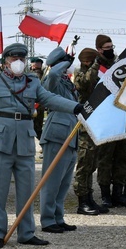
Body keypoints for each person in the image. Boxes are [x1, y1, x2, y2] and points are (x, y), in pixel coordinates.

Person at [0, 43, 83, 248]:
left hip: (24, 141)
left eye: (22, 59)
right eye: (13, 58)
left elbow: (50, 99)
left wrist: (75, 107)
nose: (18, 62)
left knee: (26, 192)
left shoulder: (32, 82)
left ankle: (26, 233)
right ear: (5, 62)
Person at [92, 35, 126, 208]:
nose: (110, 49)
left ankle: (118, 193)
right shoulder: (96, 68)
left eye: (112, 46)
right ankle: (105, 195)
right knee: (105, 159)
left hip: (122, 117)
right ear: (99, 49)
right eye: (106, 47)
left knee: (122, 157)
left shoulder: (118, 64)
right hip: (105, 120)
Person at [39, 47, 79, 233]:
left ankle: (58, 217)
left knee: (63, 182)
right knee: (51, 180)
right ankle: (47, 220)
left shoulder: (67, 83)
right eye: (66, 63)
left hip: (71, 136)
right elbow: (53, 72)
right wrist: (65, 61)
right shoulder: (51, 79)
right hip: (57, 135)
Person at [72, 48, 105, 215]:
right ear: (87, 61)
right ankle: (82, 201)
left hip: (95, 123)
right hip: (85, 124)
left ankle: (90, 198)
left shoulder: (96, 74)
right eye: (92, 61)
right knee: (84, 163)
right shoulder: (79, 74)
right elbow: (85, 84)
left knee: (92, 163)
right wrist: (95, 66)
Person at [29, 57, 45, 142]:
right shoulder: (44, 75)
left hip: (33, 105)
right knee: (38, 128)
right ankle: (44, 143)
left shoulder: (31, 76)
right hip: (40, 106)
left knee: (33, 128)